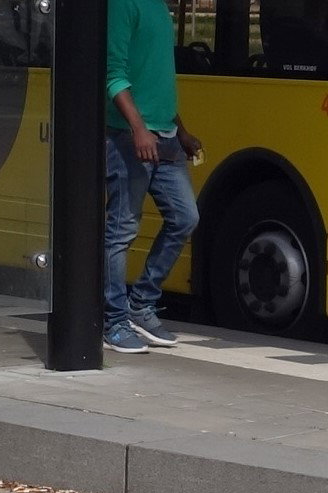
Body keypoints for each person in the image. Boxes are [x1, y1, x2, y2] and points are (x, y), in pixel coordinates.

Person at [104, 0, 201, 353]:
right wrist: (138, 129)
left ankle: (140, 304)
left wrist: (182, 131)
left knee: (185, 218)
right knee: (121, 229)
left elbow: (155, 81)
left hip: (167, 135)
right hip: (128, 137)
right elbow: (113, 74)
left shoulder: (159, 7)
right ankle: (113, 322)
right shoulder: (122, 5)